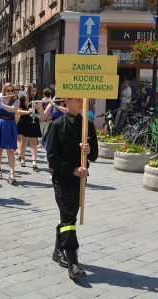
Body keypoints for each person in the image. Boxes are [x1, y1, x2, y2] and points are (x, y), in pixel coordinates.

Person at [47, 97, 98, 279]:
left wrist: (88, 150)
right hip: (62, 178)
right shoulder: (56, 125)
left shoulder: (88, 126)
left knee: (69, 216)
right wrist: (73, 169)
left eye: (84, 99)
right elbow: (53, 157)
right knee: (68, 214)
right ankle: (73, 261)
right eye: (78, 99)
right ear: (67, 101)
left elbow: (94, 156)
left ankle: (57, 250)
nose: (82, 102)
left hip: (80, 181)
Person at [17, 83, 44, 171]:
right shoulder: (23, 98)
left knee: (33, 142)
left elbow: (41, 113)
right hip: (25, 121)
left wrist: (37, 107)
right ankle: (23, 158)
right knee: (24, 141)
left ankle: (34, 161)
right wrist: (27, 111)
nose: (33, 93)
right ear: (29, 90)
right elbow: (18, 111)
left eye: (35, 91)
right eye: (32, 91)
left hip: (34, 121)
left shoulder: (38, 99)